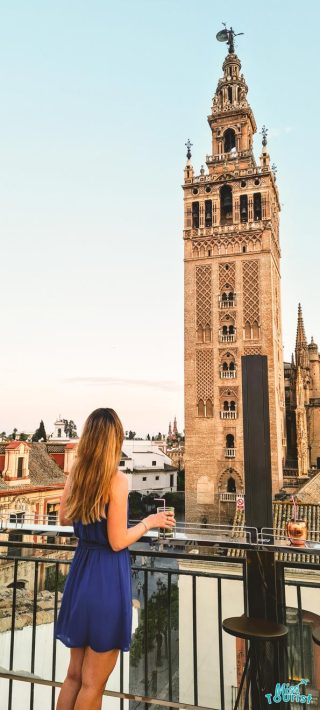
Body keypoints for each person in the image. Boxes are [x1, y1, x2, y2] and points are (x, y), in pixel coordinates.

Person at [55, 407, 175, 710]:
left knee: (73, 677)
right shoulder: (116, 480)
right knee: (94, 684)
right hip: (106, 578)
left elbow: (63, 519)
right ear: (114, 439)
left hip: (81, 574)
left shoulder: (77, 473)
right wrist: (149, 522)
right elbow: (118, 540)